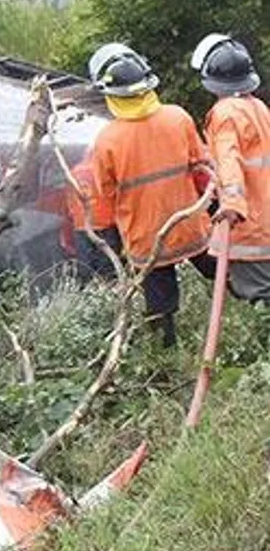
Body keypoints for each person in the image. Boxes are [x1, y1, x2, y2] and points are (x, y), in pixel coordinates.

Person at [88, 42, 215, 346]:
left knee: (160, 308)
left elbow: (103, 200)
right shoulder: (178, 117)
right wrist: (216, 206)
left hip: (147, 241)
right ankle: (257, 317)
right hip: (192, 229)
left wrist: (109, 243)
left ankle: (165, 357)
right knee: (226, 273)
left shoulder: (106, 141)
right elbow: (203, 170)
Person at [191, 34, 270, 302]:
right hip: (265, 217)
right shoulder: (257, 107)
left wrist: (233, 204)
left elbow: (229, 160)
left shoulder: (224, 113)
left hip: (251, 225)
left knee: (259, 299)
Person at [67, 151, 123, 281]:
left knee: (85, 266)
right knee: (108, 268)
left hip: (81, 227)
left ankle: (87, 288)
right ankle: (108, 289)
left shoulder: (73, 172)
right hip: (106, 225)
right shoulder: (103, 170)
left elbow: (69, 201)